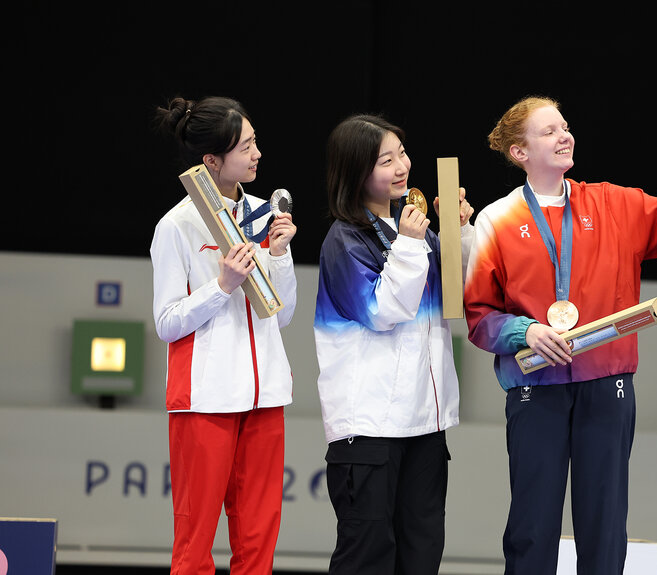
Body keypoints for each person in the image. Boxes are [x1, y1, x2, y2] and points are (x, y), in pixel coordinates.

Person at [463, 96, 657, 574]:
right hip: (534, 389)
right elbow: (479, 315)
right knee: (531, 528)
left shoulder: (614, 204)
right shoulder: (494, 220)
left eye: (565, 126)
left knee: (604, 529)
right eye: (549, 132)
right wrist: (527, 330)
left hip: (607, 387)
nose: (565, 136)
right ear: (519, 152)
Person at [313, 114, 474, 575]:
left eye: (402, 153)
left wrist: (459, 232)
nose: (401, 166)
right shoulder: (345, 240)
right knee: (368, 557)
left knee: (421, 555)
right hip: (369, 429)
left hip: (425, 424)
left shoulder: (415, 233)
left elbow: (455, 301)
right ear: (356, 171)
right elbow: (381, 313)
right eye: (386, 160)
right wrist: (409, 243)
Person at [150, 96, 298, 575]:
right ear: (211, 160)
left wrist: (277, 255)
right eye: (246, 146)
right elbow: (167, 321)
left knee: (258, 543)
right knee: (194, 545)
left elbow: (284, 314)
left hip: (265, 396)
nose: (257, 154)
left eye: (256, 142)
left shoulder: (262, 214)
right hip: (206, 400)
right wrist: (221, 287)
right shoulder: (176, 226)